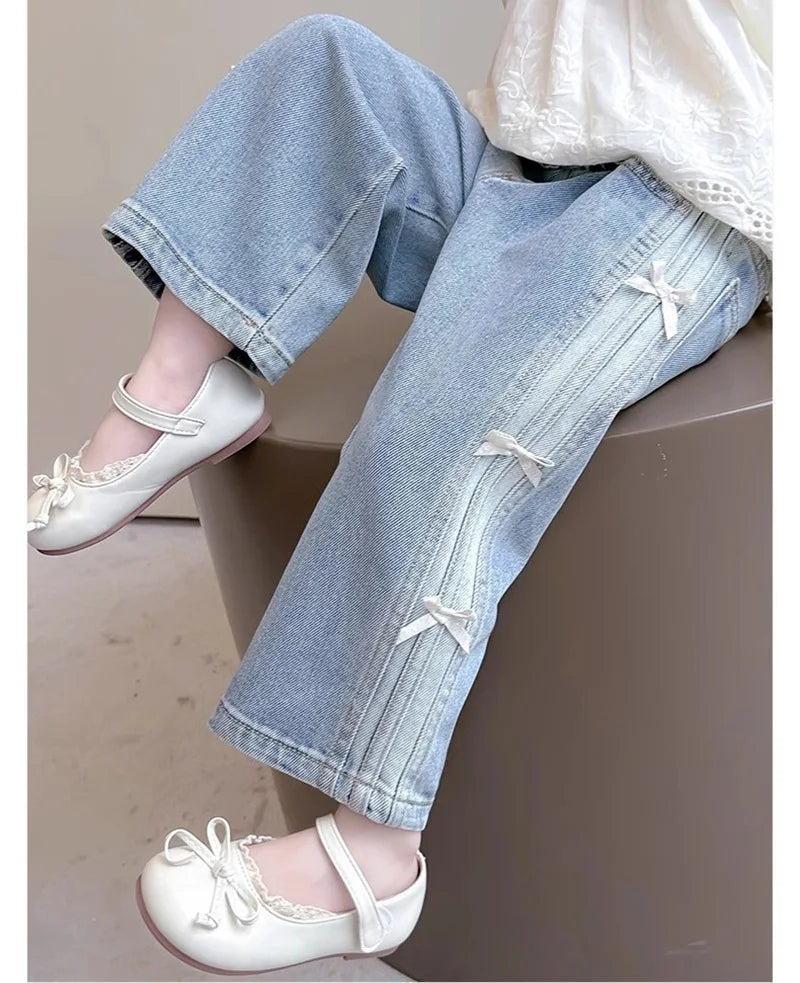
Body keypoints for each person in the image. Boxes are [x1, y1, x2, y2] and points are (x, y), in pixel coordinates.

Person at [27, 2, 771, 974]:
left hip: (691, 199)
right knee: (321, 65)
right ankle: (177, 386)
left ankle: (372, 854)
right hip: (526, 160)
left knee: (447, 414)